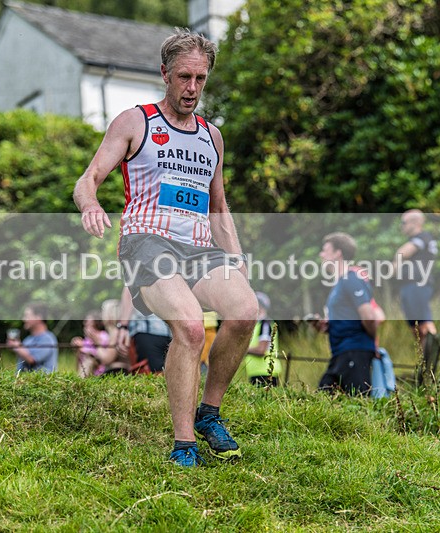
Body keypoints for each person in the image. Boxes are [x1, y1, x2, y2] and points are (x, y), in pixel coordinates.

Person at [72, 29, 258, 467]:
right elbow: (88, 179)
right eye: (183, 77)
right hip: (146, 243)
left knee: (246, 311)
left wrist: (237, 260)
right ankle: (183, 444)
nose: (192, 88)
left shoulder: (213, 137)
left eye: (200, 78)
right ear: (165, 74)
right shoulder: (136, 121)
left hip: (198, 248)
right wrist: (90, 205)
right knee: (191, 328)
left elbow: (218, 208)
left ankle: (209, 414)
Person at [315, 232, 381, 396]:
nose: (321, 255)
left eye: (325, 250)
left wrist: (371, 341)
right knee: (324, 397)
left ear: (338, 253)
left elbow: (369, 316)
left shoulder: (351, 279)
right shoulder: (339, 284)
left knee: (359, 403)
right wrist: (327, 326)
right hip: (341, 353)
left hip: (354, 351)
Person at [394, 209, 440, 384]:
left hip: (417, 286)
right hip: (411, 287)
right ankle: (424, 366)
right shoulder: (422, 240)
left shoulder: (423, 238)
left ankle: (432, 365)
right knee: (416, 328)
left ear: (415, 223)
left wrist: (393, 268)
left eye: (403, 223)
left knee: (424, 325)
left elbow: (402, 253)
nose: (402, 227)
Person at [116, 287, 171, 373]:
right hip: (147, 330)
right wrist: (123, 326)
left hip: (170, 331)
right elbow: (130, 290)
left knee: (168, 375)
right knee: (152, 373)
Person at [243, 292, 282, 386]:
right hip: (257, 372)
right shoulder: (258, 324)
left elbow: (261, 350)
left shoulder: (265, 324)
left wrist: (242, 349)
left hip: (265, 372)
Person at [8, 302, 58, 374]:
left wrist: (17, 347)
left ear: (39, 317)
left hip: (42, 383)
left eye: (27, 316)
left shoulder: (48, 339)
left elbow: (32, 360)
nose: (24, 319)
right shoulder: (28, 340)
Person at [71, 311, 109, 377]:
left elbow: (102, 357)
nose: (85, 324)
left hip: (100, 371)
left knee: (89, 360)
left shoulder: (103, 336)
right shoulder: (87, 340)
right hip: (86, 371)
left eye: (88, 324)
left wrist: (83, 349)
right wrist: (78, 349)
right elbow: (79, 365)